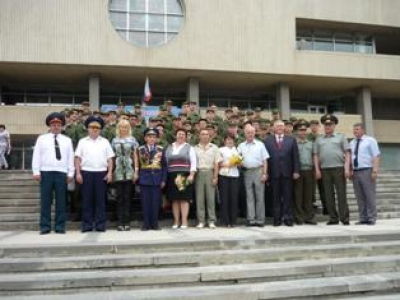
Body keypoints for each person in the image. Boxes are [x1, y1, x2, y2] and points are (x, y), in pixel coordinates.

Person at [32, 113, 74, 234]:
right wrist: (36, 171)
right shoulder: (42, 139)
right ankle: (45, 226)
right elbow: (36, 156)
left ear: (62, 126)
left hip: (62, 173)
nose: (56, 127)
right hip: (46, 172)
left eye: (58, 125)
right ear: (50, 126)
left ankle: (60, 227)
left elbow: (70, 157)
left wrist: (70, 173)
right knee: (45, 201)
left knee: (61, 202)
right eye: (53, 124)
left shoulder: (67, 140)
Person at [75, 116, 115, 232]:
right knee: (87, 200)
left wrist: (110, 173)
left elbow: (110, 159)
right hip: (86, 173)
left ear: (100, 129)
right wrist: (78, 173)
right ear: (87, 128)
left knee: (100, 201)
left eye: (97, 127)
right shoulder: (82, 141)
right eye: (92, 127)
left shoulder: (105, 142)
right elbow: (77, 158)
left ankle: (100, 225)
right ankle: (87, 225)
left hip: (101, 174)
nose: (94, 129)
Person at [314, 114, 351, 226]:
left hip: (339, 168)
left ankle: (344, 218)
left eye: (330, 124)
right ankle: (333, 218)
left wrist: (347, 168)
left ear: (334, 125)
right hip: (325, 170)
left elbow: (347, 153)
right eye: (326, 125)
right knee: (328, 196)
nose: (328, 126)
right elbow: (315, 155)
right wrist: (317, 170)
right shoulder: (319, 139)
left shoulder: (341, 137)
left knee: (341, 194)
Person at [264, 120, 300, 227]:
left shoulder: (291, 140)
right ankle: (277, 218)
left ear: (284, 128)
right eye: (277, 126)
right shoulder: (267, 141)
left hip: (287, 174)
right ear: (273, 128)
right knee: (275, 197)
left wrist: (296, 171)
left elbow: (296, 157)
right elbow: (265, 159)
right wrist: (266, 173)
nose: (279, 127)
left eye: (281, 126)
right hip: (273, 174)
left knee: (287, 197)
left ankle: (288, 218)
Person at [134, 128, 167, 231]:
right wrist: (137, 176)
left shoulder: (161, 149)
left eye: (153, 137)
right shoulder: (140, 149)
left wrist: (163, 180)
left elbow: (164, 166)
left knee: (155, 203)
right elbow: (137, 165)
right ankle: (146, 224)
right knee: (145, 202)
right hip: (145, 179)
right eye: (149, 136)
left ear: (157, 138)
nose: (151, 138)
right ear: (145, 138)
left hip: (157, 179)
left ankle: (155, 223)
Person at [349, 123, 381, 225]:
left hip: (367, 170)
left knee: (369, 195)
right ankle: (363, 218)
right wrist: (350, 171)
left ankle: (371, 217)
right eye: (354, 130)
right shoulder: (352, 142)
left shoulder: (370, 140)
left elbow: (376, 156)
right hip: (356, 172)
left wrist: (375, 171)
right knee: (360, 196)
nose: (355, 131)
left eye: (357, 129)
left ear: (363, 130)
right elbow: (350, 158)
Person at [164, 128, 197, 229]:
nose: (181, 136)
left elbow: (194, 163)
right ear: (175, 135)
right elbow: (165, 163)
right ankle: (176, 221)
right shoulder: (169, 147)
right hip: (171, 175)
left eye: (183, 134)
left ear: (186, 137)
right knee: (174, 200)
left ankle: (184, 221)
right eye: (179, 134)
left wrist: (192, 175)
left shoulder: (189, 147)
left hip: (184, 175)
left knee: (184, 199)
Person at [237, 125, 269, 227]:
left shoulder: (260, 144)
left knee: (260, 197)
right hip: (247, 172)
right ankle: (251, 219)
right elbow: (237, 159)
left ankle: (260, 220)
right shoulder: (241, 145)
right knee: (249, 197)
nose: (250, 134)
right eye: (248, 132)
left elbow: (265, 160)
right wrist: (239, 163)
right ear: (245, 133)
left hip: (258, 171)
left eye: (252, 132)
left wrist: (264, 173)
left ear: (255, 133)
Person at [111, 119, 138, 231]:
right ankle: (120, 222)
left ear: (129, 128)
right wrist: (111, 171)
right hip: (117, 170)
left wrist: (136, 171)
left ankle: (127, 222)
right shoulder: (114, 140)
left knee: (128, 197)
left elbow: (135, 156)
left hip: (129, 170)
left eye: (126, 126)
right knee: (119, 197)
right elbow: (111, 157)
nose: (124, 128)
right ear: (119, 128)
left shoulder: (133, 140)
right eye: (122, 126)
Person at [194, 129, 221, 229]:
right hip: (199, 173)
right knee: (199, 198)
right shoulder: (195, 148)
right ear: (199, 136)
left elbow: (216, 163)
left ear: (209, 136)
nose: (205, 136)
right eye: (202, 134)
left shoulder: (214, 148)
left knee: (211, 199)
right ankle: (201, 221)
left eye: (206, 134)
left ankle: (211, 220)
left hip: (210, 172)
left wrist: (215, 176)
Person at [293, 120, 316, 225]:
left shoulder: (311, 144)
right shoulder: (293, 144)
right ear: (297, 131)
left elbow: (314, 157)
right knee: (298, 196)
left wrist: (316, 170)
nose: (303, 132)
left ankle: (309, 217)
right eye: (300, 130)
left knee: (309, 195)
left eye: (304, 130)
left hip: (309, 171)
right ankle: (299, 217)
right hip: (298, 171)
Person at [218, 135, 240, 227]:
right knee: (224, 198)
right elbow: (218, 162)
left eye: (231, 139)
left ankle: (233, 221)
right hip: (224, 175)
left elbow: (240, 162)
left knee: (233, 198)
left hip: (234, 175)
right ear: (225, 141)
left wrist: (237, 162)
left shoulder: (236, 150)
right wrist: (228, 164)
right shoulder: (221, 150)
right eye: (228, 139)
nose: (229, 141)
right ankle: (225, 221)